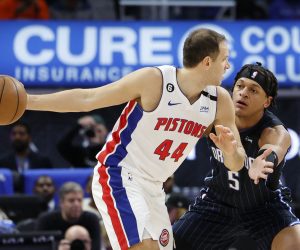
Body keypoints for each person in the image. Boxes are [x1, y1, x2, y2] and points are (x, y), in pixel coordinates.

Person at [26, 28, 273, 249]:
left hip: (154, 187)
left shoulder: (220, 101)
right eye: (225, 59)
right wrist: (29, 100)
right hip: (120, 174)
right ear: (208, 62)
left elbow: (237, 163)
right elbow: (88, 99)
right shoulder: (154, 81)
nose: (228, 66)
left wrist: (231, 151)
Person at [173, 62, 300, 250]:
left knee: (294, 242)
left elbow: (275, 148)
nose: (244, 93)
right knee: (169, 244)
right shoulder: (215, 116)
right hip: (217, 203)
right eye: (240, 86)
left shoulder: (274, 130)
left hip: (265, 208)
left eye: (254, 90)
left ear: (267, 101)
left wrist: (262, 162)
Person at [35, 182, 101, 250]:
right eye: (71, 200)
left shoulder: (91, 219)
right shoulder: (46, 220)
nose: (76, 204)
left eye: (79, 200)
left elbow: (96, 247)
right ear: (61, 203)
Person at [0, 121, 52, 191]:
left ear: (29, 137)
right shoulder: (3, 162)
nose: (17, 137)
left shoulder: (43, 161)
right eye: (14, 134)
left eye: (21, 134)